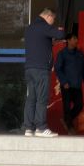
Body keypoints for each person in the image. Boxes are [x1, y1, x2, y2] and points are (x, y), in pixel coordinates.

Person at [23, 8, 65, 137]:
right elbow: (60, 35)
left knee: (31, 98)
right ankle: (41, 128)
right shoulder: (44, 26)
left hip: (29, 68)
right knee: (42, 98)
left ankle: (28, 128)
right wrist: (60, 30)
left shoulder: (30, 28)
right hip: (41, 69)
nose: (53, 22)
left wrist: (50, 42)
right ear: (48, 16)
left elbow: (40, 43)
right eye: (53, 19)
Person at [55, 33, 84, 135]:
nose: (76, 40)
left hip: (77, 85)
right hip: (67, 86)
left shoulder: (80, 54)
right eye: (74, 39)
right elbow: (58, 69)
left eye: (76, 39)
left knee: (79, 105)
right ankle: (70, 127)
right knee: (66, 107)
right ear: (68, 40)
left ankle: (66, 119)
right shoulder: (62, 54)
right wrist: (64, 81)